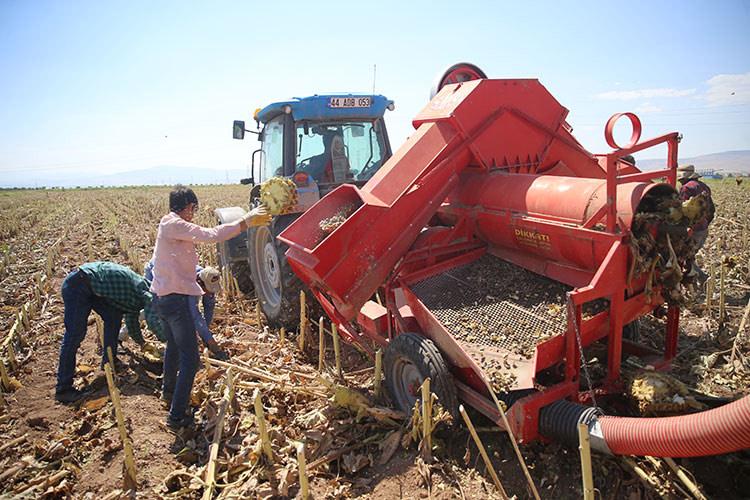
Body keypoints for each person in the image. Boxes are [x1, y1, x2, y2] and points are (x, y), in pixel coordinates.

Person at [151, 185, 270, 429]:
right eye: (193, 209)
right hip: (175, 299)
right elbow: (211, 234)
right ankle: (176, 416)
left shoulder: (170, 226)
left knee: (173, 347)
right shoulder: (175, 224)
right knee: (191, 359)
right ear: (187, 207)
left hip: (163, 298)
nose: (193, 214)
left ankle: (169, 392)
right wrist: (246, 221)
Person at [55, 261, 162, 403]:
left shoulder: (137, 295)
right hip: (78, 284)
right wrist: (167, 339)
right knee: (75, 334)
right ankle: (63, 389)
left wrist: (142, 343)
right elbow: (153, 321)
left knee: (113, 316)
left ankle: (109, 360)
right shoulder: (147, 295)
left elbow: (131, 321)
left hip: (90, 286)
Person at [139, 260, 228, 360]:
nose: (209, 293)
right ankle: (126, 331)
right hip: (157, 272)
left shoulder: (207, 279)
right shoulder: (188, 284)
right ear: (199, 283)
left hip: (172, 274)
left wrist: (205, 334)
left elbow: (209, 306)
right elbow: (194, 315)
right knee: (153, 307)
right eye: (207, 290)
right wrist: (210, 340)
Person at [677, 164, 715, 251]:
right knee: (691, 256)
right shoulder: (704, 186)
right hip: (703, 229)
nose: (679, 181)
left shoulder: (686, 188)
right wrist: (703, 223)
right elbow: (711, 209)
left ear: (684, 177)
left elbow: (682, 213)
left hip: (692, 232)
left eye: (680, 179)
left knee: (686, 258)